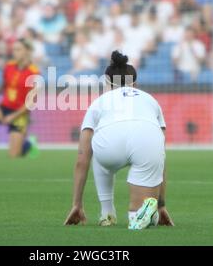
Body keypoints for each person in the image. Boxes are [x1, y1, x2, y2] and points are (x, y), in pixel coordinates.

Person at [64, 51, 174, 230]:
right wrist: (161, 204)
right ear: (135, 84)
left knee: (97, 155)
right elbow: (161, 153)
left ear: (107, 84)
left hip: (110, 145)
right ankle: (142, 214)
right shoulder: (150, 101)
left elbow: (82, 159)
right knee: (139, 213)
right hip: (147, 142)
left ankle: (107, 213)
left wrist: (77, 204)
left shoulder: (99, 102)